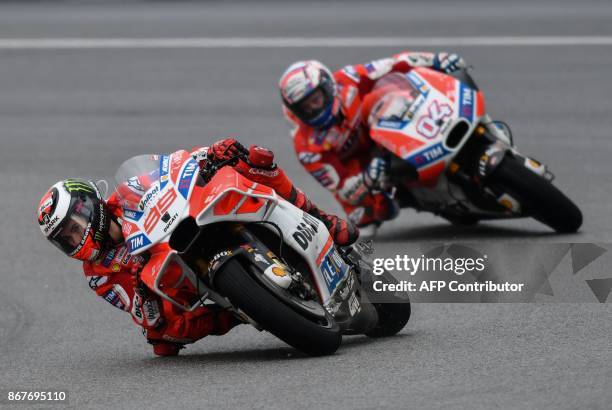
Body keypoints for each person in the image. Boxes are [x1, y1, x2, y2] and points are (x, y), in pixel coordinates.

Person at [36, 139, 358, 356]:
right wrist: (145, 306)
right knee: (163, 338)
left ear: (90, 206)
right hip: (177, 280)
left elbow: (171, 168)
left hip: (190, 220)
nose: (75, 239)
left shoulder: (126, 193)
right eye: (66, 239)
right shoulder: (99, 274)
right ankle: (240, 310)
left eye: (75, 228)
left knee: (250, 159)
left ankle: (322, 219)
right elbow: (136, 309)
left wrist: (209, 155)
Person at [279, 51, 467, 237]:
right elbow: (341, 187)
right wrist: (367, 178)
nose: (314, 108)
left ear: (328, 86)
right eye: (306, 107)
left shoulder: (348, 79)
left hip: (382, 130)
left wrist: (435, 60)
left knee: (391, 93)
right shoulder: (307, 147)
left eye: (316, 99)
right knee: (367, 217)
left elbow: (393, 64)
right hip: (360, 168)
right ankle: (420, 197)